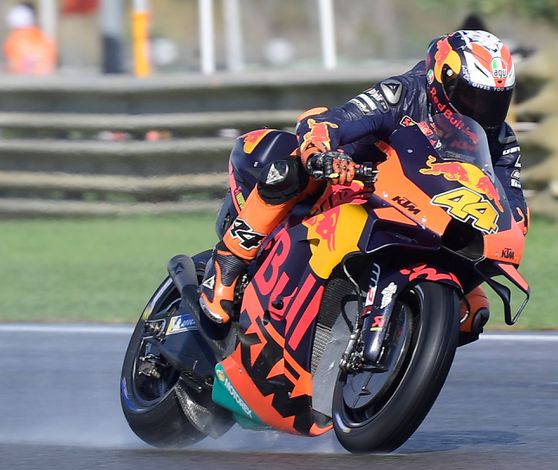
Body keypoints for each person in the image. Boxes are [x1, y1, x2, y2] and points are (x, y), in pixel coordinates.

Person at [199, 30, 529, 332]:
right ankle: (229, 260)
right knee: (292, 168)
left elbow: (512, 207)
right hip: (356, 184)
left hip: (430, 220)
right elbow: (334, 122)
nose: (483, 110)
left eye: (496, 101)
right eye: (473, 97)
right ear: (441, 80)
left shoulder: (500, 140)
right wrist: (322, 154)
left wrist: (507, 233)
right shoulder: (403, 93)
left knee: (472, 314)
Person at [3, 2, 56, 75]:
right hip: (45, 81)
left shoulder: (15, 39)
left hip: (23, 81)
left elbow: (12, 65)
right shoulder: (45, 37)